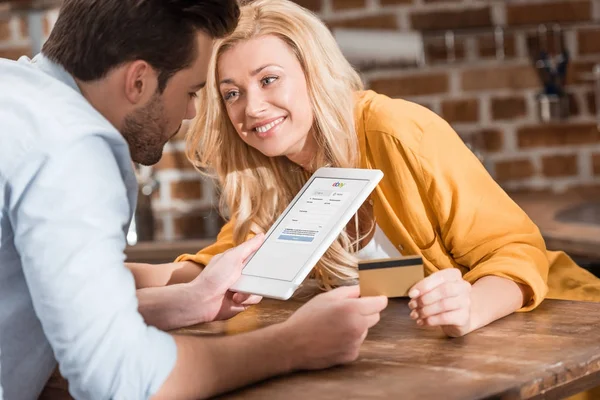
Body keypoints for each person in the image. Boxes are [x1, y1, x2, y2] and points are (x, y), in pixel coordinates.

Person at [129, 0, 600, 342]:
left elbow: (516, 250)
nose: (251, 107)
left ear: (313, 74)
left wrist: (470, 306)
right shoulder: (274, 177)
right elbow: (217, 268)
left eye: (269, 79)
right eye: (231, 93)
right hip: (456, 358)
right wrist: (103, 278)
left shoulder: (394, 130)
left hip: (563, 332)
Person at [0, 0, 388, 399]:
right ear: (139, 81)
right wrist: (294, 343)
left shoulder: (14, 91)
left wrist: (187, 301)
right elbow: (121, 380)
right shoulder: (74, 148)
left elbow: (58, 307)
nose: (189, 111)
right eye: (191, 91)